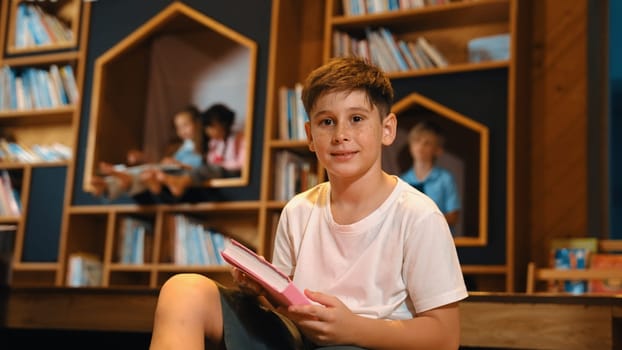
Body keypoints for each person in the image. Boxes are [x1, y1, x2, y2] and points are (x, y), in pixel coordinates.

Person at [148, 56, 468, 350]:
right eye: (326, 122)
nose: (341, 134)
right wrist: (260, 289)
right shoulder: (298, 210)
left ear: (387, 130)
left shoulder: (419, 216)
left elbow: (445, 336)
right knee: (183, 291)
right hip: (299, 340)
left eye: (356, 118)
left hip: (368, 344)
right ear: (310, 136)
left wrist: (352, 329)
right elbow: (285, 309)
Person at [89, 105, 204, 201]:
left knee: (145, 174)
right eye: (178, 127)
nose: (182, 131)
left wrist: (178, 164)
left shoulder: (203, 146)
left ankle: (115, 181)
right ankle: (110, 182)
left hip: (178, 176)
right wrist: (143, 158)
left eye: (185, 125)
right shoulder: (179, 147)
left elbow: (199, 170)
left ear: (197, 123)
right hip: (164, 172)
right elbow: (160, 165)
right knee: (145, 170)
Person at [148, 103, 246, 198]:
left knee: (208, 169)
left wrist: (220, 164)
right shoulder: (214, 143)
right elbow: (210, 160)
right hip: (212, 170)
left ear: (223, 124)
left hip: (228, 172)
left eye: (212, 127)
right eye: (207, 127)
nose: (208, 131)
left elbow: (240, 164)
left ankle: (179, 183)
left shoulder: (238, 139)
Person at [400, 120, 461, 228]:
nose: (420, 146)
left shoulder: (445, 179)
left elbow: (453, 216)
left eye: (427, 143)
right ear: (410, 145)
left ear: (438, 150)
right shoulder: (402, 181)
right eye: (417, 140)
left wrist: (425, 221)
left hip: (438, 239)